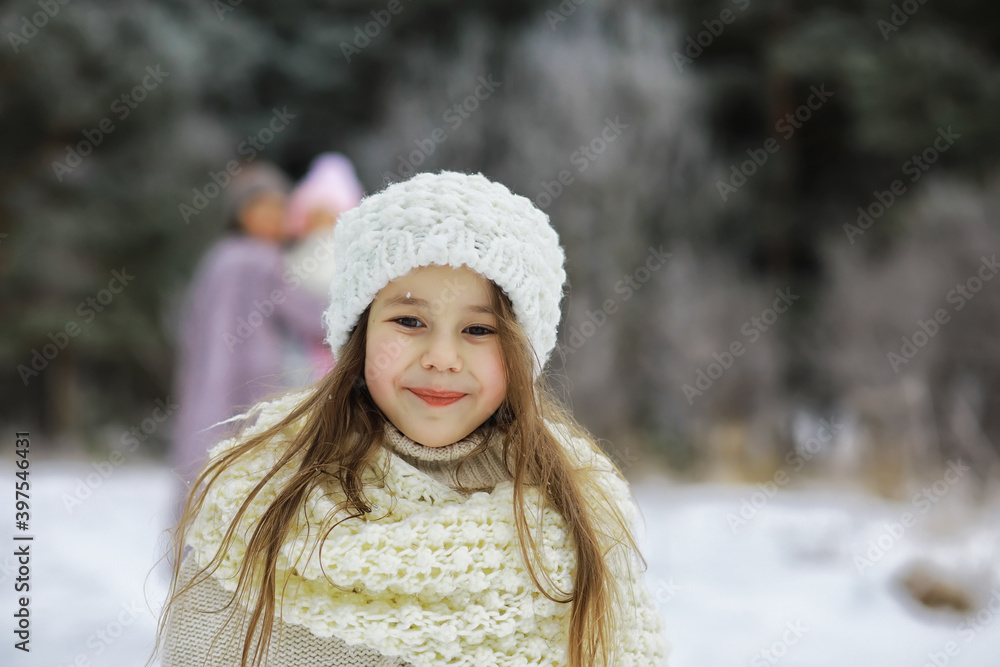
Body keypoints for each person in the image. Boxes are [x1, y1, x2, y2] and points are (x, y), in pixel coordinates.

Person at [153, 171, 670, 667]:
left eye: (479, 330)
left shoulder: (581, 512)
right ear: (358, 332)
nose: (441, 357)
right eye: (408, 320)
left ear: (523, 350)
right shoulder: (257, 499)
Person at [170, 162, 329, 493]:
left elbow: (189, 322)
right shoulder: (262, 261)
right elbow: (307, 311)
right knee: (250, 468)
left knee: (204, 467)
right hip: (255, 380)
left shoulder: (217, 258)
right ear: (241, 213)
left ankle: (193, 540)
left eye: (280, 209)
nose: (274, 217)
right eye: (263, 208)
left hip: (206, 383)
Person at [282, 153, 365, 384]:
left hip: (330, 350)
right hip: (299, 351)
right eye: (315, 214)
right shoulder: (296, 251)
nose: (320, 221)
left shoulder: (344, 252)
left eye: (327, 214)